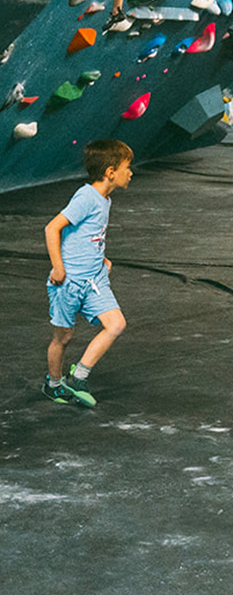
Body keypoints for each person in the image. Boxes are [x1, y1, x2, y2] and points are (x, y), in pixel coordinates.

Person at [42, 139, 132, 407]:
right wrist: (59, 267)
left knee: (116, 324)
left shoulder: (105, 199)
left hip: (94, 280)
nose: (131, 172)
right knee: (63, 337)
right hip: (69, 283)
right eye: (128, 167)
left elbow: (87, 234)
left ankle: (78, 375)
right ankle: (54, 385)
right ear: (110, 172)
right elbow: (52, 228)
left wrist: (100, 257)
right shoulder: (86, 197)